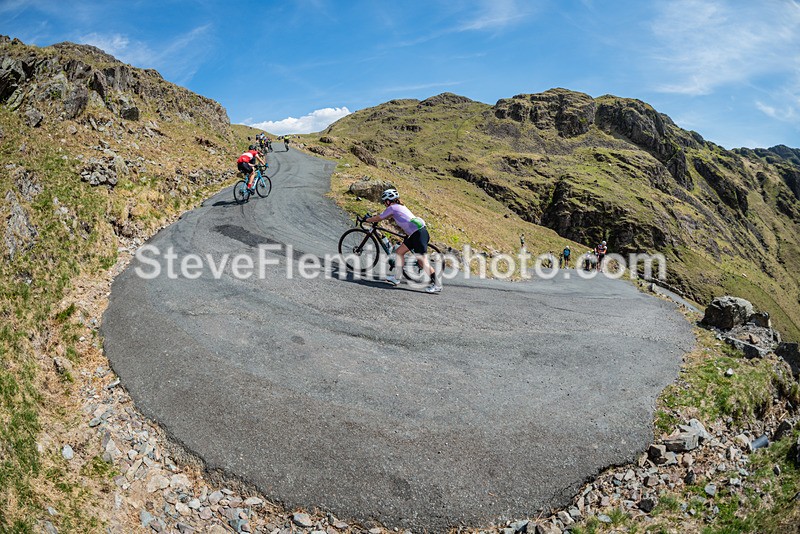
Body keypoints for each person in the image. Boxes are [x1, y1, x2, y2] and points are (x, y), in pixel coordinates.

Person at [365, 188, 441, 294]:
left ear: (388, 201)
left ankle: (437, 285)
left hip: (418, 234)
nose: (384, 204)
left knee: (422, 261)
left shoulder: (393, 207)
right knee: (399, 252)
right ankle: (397, 278)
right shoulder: (399, 206)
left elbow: (380, 217)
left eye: (385, 201)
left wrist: (367, 219)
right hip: (415, 234)